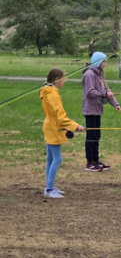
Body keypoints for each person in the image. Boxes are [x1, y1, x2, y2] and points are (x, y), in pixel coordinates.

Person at [40, 68, 84, 199]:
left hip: (50, 126)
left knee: (51, 159)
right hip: (53, 128)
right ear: (57, 80)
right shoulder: (52, 94)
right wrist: (75, 126)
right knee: (57, 159)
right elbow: (60, 116)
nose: (64, 81)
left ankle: (49, 186)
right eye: (63, 79)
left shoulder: (48, 91)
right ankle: (49, 189)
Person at [82, 52, 121, 172]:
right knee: (91, 136)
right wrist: (104, 94)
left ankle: (96, 160)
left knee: (97, 136)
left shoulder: (100, 74)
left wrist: (116, 104)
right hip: (90, 110)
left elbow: (106, 89)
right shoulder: (89, 74)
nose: (106, 63)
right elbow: (90, 92)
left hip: (98, 109)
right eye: (104, 61)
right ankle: (90, 163)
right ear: (98, 62)